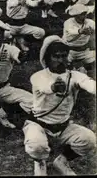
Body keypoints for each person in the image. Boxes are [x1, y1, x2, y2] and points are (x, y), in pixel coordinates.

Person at [23, 35, 96, 176]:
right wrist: (54, 87)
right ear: (47, 58)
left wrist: (90, 86)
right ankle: (40, 163)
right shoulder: (38, 76)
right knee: (37, 146)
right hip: (39, 124)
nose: (61, 60)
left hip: (63, 126)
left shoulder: (74, 75)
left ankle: (62, 161)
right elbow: (44, 87)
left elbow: (88, 83)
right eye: (56, 56)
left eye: (64, 56)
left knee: (89, 140)